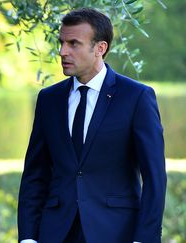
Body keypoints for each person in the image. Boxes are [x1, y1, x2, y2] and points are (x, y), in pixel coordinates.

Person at [18, 8, 166, 243]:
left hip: (116, 233)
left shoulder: (136, 97)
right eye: (62, 42)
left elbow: (154, 178)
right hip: (55, 232)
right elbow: (35, 175)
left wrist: (145, 238)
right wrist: (28, 237)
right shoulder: (49, 99)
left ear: (100, 48)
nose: (62, 51)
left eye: (73, 43)